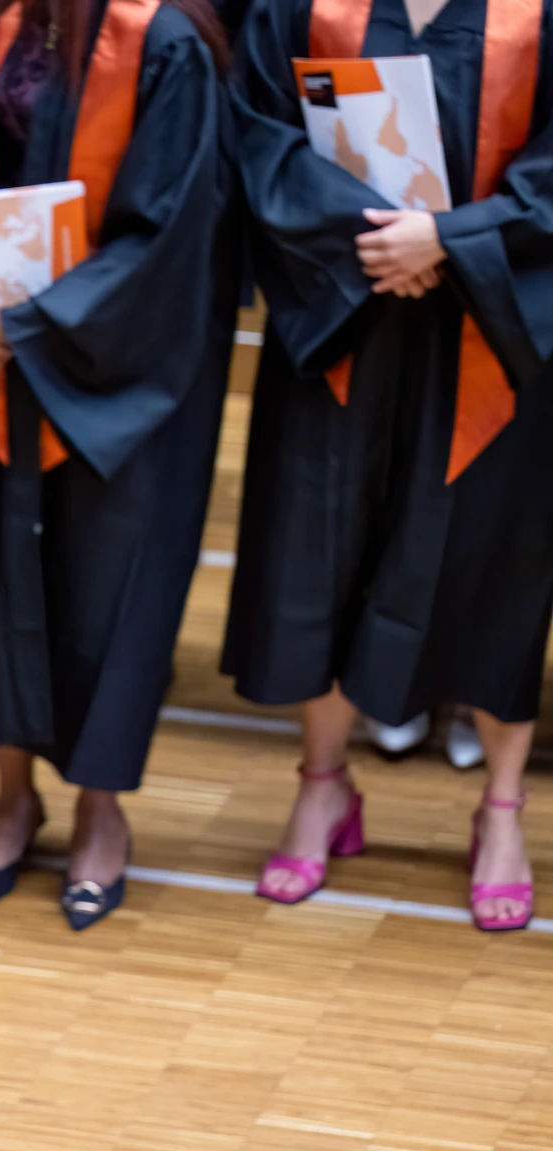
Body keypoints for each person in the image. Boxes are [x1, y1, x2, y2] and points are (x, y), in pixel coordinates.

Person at [0, 0, 238, 930]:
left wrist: (27, 325)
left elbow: (172, 233)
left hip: (120, 369)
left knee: (107, 591)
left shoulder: (164, 42)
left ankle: (98, 809)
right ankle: (13, 798)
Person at [224, 0, 553, 931]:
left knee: (498, 571)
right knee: (324, 555)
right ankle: (322, 784)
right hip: (345, 314)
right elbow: (260, 134)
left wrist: (452, 241)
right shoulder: (303, 4)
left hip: (497, 337)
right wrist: (376, 241)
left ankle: (501, 810)